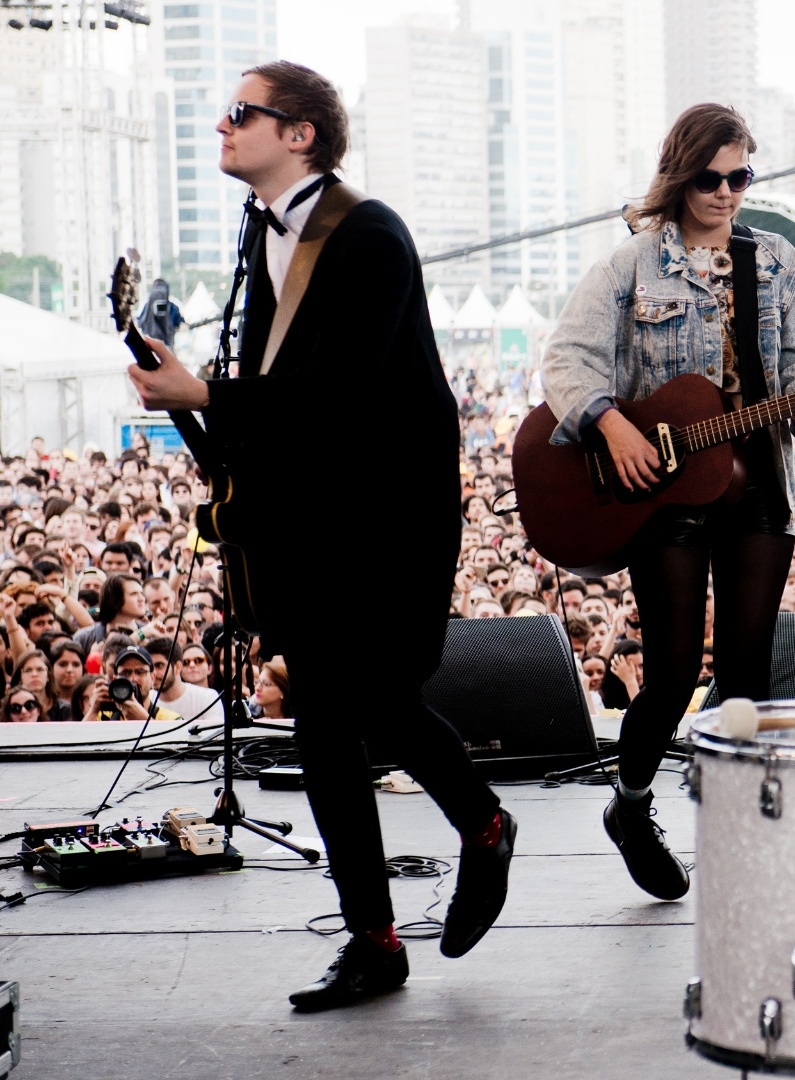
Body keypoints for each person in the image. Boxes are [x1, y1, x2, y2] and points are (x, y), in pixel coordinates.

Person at [126, 61, 512, 1010]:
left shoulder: (368, 234)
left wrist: (204, 392)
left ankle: (480, 830)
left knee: (372, 701)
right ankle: (378, 936)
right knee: (330, 720)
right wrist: (207, 417)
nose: (222, 125)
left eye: (241, 112)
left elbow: (344, 393)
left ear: (299, 134)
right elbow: (283, 394)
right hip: (310, 515)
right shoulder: (264, 231)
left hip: (386, 518)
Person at [539, 103, 795, 907]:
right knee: (671, 675)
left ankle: (738, 838)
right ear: (680, 176)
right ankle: (631, 804)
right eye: (711, 179)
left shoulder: (776, 262)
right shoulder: (631, 266)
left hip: (760, 483)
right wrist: (611, 425)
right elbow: (565, 360)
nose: (726, 193)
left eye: (741, 178)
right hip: (666, 489)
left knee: (747, 674)